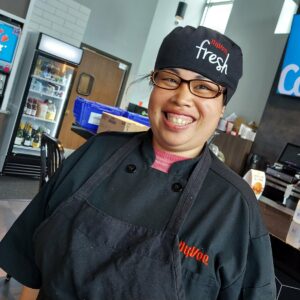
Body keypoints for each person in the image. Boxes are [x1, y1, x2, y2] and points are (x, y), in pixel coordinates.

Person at [0, 26, 276, 300]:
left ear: (223, 106)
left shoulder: (235, 206)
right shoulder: (94, 153)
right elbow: (31, 268)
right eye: (169, 79)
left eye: (203, 87)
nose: (182, 98)